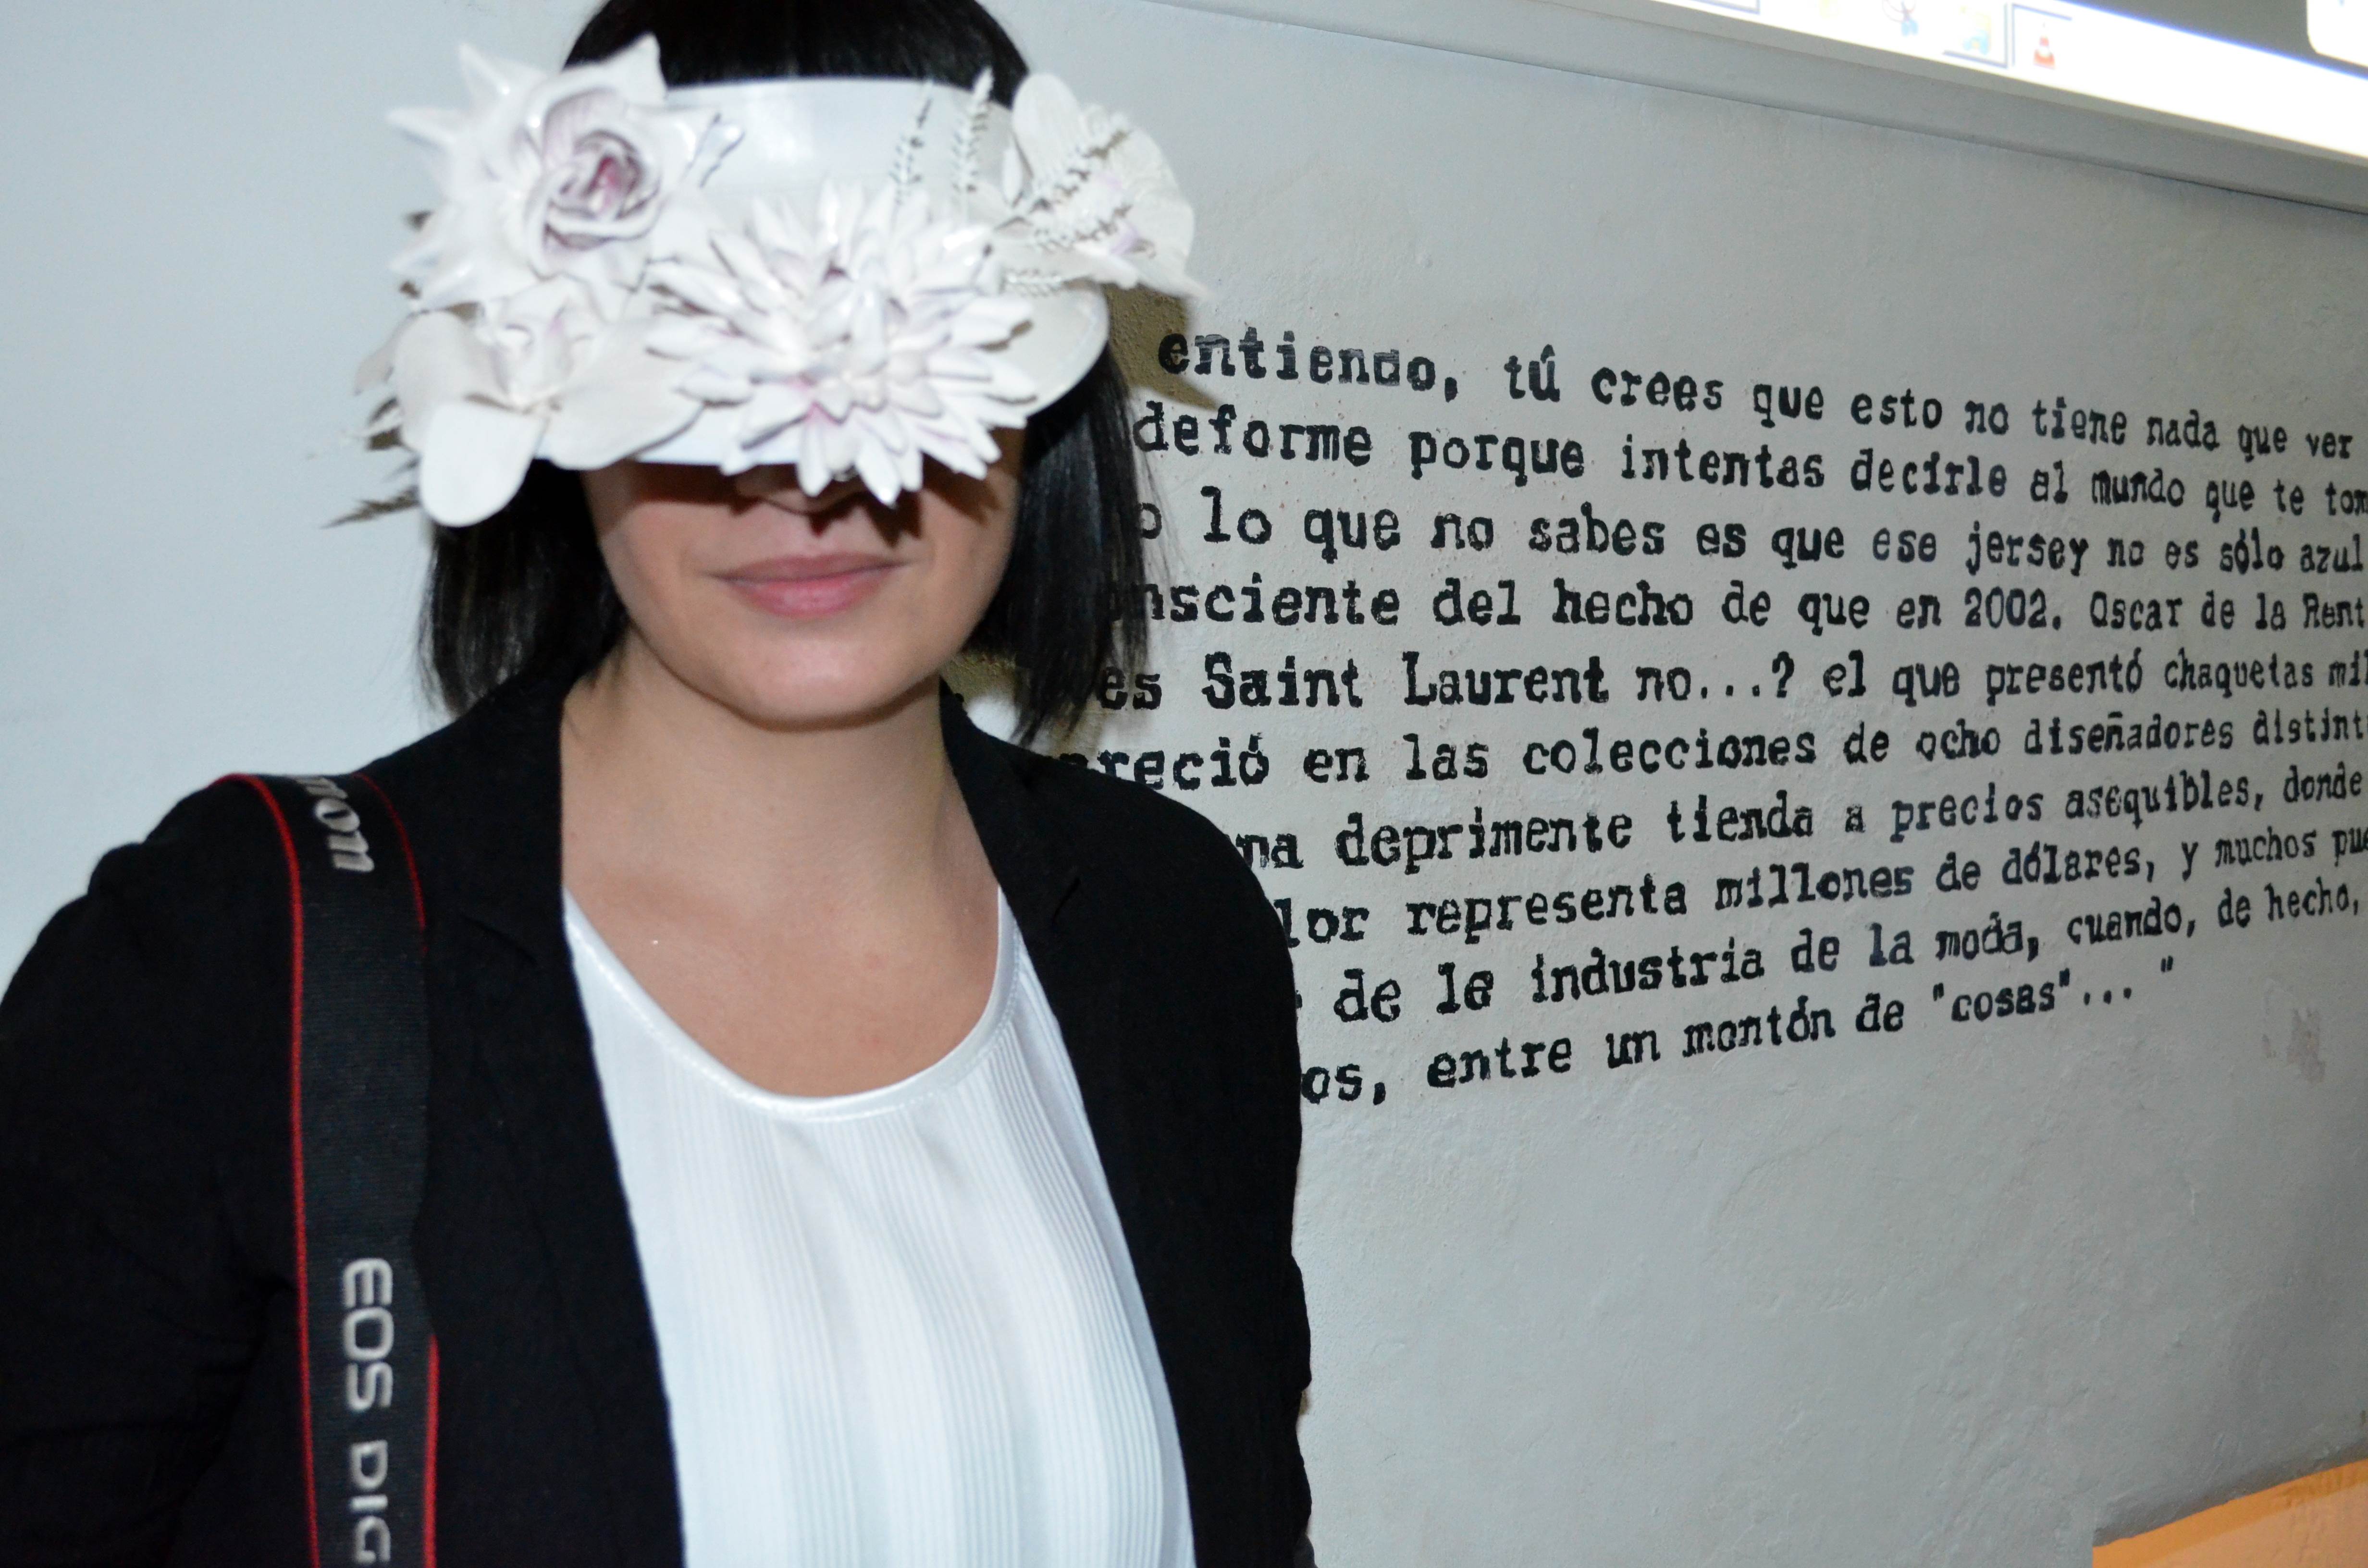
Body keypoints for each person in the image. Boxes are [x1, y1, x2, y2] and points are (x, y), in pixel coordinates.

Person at [0, 3, 1312, 1564]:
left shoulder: (1176, 928)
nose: (807, 474)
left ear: (1039, 399)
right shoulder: (228, 965)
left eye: (905, 340)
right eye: (695, 354)